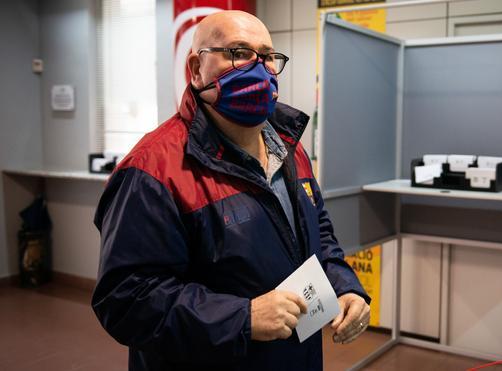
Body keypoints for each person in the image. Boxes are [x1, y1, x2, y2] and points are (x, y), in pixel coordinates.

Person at [91, 10, 370, 371]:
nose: (258, 68)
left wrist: (344, 285)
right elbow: (126, 298)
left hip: (294, 355)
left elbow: (320, 235)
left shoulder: (291, 149)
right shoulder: (153, 169)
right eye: (238, 53)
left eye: (267, 57)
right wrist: (243, 317)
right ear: (195, 69)